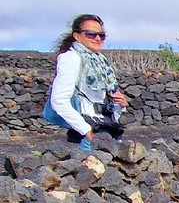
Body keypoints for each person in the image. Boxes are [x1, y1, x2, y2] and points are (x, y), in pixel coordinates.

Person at [43, 14, 128, 151]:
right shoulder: (71, 58)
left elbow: (104, 103)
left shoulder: (101, 62)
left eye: (102, 35)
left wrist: (121, 105)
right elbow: (59, 100)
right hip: (91, 130)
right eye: (90, 34)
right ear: (77, 36)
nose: (97, 38)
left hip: (106, 127)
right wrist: (87, 132)